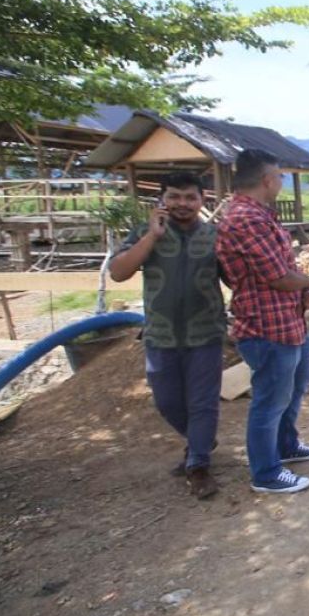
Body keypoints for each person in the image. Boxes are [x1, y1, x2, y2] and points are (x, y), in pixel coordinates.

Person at [216, 149, 309, 494]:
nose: (281, 182)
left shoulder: (261, 215)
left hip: (288, 322)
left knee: (293, 388)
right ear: (267, 179)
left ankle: (287, 446)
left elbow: (280, 267)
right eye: (279, 176)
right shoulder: (246, 219)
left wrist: (302, 295)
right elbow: (278, 276)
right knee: (269, 401)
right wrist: (307, 282)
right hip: (267, 328)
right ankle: (265, 473)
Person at [109, 172, 226, 499]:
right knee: (167, 402)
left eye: (190, 197)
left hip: (206, 334)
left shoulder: (215, 237)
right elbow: (118, 273)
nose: (183, 204)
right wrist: (151, 237)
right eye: (175, 196)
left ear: (202, 201)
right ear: (162, 201)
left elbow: (236, 279)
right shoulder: (146, 235)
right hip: (160, 336)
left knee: (203, 403)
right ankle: (200, 440)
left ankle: (198, 465)